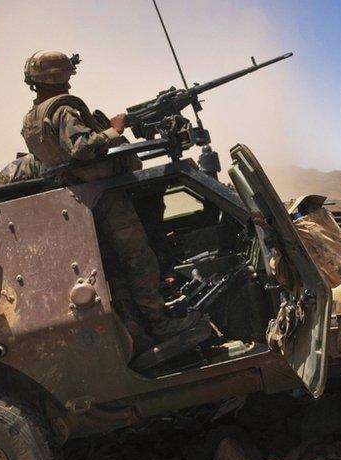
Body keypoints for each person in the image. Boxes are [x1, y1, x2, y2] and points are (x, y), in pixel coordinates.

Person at [20, 50, 205, 348]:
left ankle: (134, 328)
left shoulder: (32, 118)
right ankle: (160, 324)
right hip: (105, 196)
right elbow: (80, 148)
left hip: (80, 200)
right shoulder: (63, 110)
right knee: (139, 260)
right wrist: (113, 130)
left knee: (114, 269)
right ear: (60, 76)